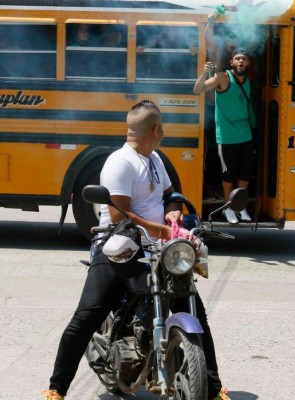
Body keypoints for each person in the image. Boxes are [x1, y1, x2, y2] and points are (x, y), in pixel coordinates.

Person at [42, 101, 230, 400]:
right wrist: (158, 229)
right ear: (155, 130)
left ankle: (215, 387)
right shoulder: (120, 162)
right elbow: (118, 215)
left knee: (194, 311)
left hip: (159, 248)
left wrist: (172, 213)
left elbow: (171, 195)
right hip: (118, 248)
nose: (164, 132)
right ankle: (56, 389)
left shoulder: (154, 158)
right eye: (162, 127)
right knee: (86, 317)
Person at [193, 48, 254, 224]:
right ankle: (229, 208)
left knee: (245, 174)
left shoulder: (248, 80)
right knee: (228, 175)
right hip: (227, 137)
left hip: (246, 135)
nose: (241, 61)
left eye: (244, 58)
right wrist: (204, 73)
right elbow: (197, 90)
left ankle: (240, 206)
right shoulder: (222, 77)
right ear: (232, 62)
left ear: (248, 63)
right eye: (237, 58)